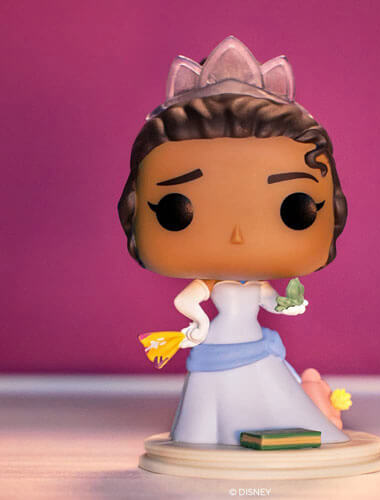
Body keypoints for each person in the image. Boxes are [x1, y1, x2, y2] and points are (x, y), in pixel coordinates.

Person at [118, 36, 349, 445]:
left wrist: (289, 305)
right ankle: (207, 435)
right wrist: (199, 324)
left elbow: (270, 302)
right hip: (221, 341)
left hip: (252, 344)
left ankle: (300, 418)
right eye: (176, 209)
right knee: (211, 403)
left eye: (296, 209)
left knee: (272, 390)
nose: (238, 236)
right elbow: (186, 301)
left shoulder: (255, 286)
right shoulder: (209, 284)